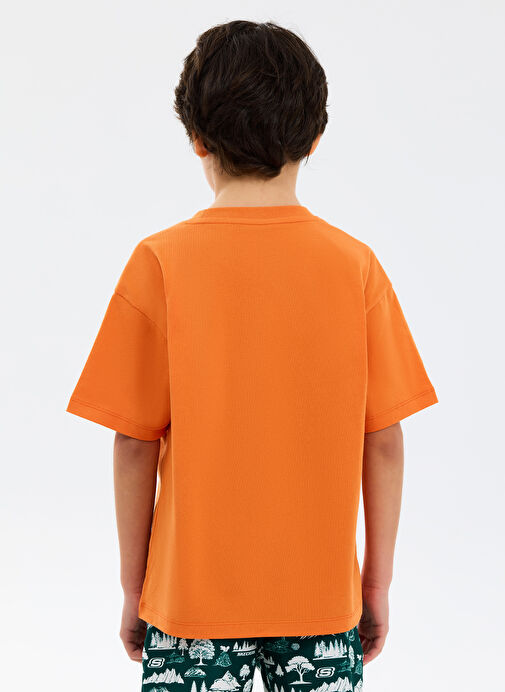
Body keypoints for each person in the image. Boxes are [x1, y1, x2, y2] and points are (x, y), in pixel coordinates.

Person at [66, 20, 438, 691]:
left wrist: (134, 587)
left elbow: (132, 442)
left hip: (188, 607)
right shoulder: (354, 268)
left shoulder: (160, 263)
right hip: (322, 607)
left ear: (196, 137)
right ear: (315, 137)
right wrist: (374, 585)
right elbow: (383, 438)